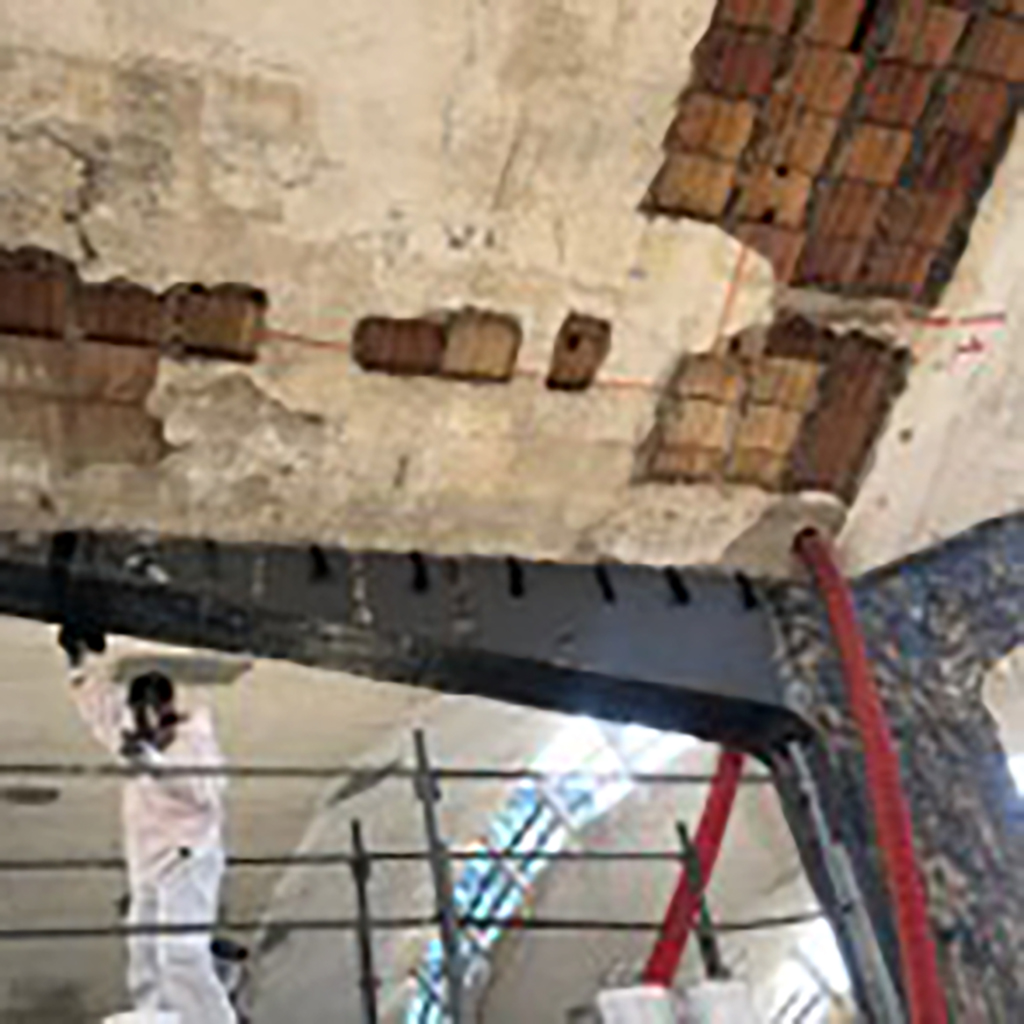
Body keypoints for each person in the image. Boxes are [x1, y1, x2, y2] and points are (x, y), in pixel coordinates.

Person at [60, 625, 236, 1024]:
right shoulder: (136, 736)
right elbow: (100, 712)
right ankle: (157, 1017)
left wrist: (153, 763)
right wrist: (81, 663)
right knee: (144, 956)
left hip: (188, 857)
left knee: (181, 954)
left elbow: (203, 794)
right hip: (147, 860)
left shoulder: (194, 742)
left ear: (167, 711)